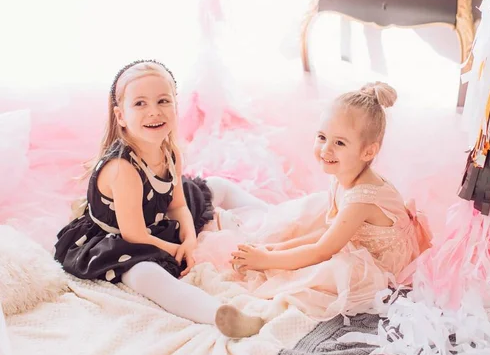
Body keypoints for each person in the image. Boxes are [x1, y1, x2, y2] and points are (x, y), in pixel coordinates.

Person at [54, 59, 265, 338]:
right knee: (143, 274)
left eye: (163, 101)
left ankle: (281, 216)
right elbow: (134, 233)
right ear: (121, 117)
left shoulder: (169, 152)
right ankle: (219, 314)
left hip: (156, 217)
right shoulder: (122, 168)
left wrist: (189, 239)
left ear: (176, 107)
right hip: (121, 237)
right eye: (140, 104)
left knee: (216, 186)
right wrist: (173, 248)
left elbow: (177, 205)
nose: (154, 111)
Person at [229, 82, 432, 319]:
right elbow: (328, 232)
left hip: (380, 266)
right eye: (322, 137)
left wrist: (268, 260)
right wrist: (277, 249)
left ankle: (262, 316)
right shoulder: (344, 175)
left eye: (339, 143)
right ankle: (275, 258)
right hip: (355, 240)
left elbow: (322, 251)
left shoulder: (362, 198)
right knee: (306, 223)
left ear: (368, 152)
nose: (325, 149)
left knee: (330, 272)